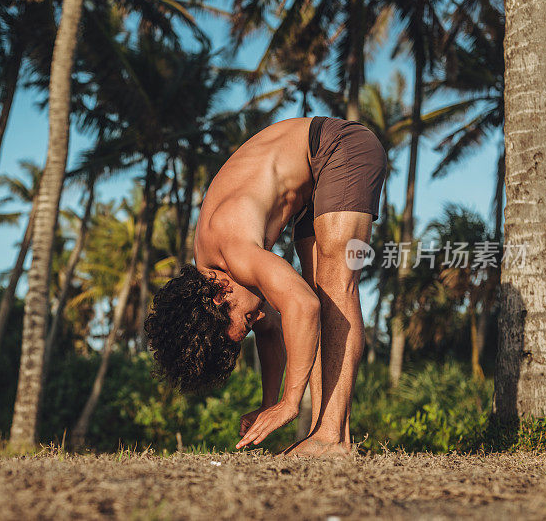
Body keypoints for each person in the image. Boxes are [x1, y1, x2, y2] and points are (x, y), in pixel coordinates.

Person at [144, 116, 387, 456]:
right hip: (310, 184)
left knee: (332, 285)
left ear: (219, 296)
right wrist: (268, 402)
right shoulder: (216, 276)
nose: (255, 317)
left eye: (244, 321)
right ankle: (323, 434)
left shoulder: (233, 249)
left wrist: (289, 404)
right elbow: (270, 328)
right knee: (318, 295)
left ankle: (333, 438)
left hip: (337, 147)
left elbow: (302, 306)